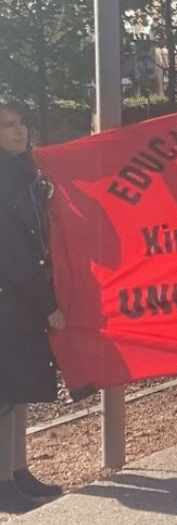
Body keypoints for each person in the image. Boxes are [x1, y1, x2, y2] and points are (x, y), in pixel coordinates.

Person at [0, 100, 65, 513]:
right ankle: (3, 481)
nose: (18, 131)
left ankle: (17, 471)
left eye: (21, 122)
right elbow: (12, 252)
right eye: (7, 125)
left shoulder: (23, 174)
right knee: (5, 394)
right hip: (9, 299)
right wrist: (47, 304)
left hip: (17, 301)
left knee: (17, 391)